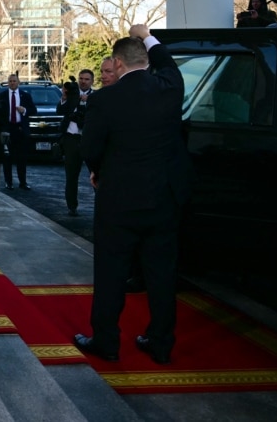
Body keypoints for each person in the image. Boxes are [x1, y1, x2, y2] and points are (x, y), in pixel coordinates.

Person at [73, 24, 191, 365]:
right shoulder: (169, 86)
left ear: (118, 64)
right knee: (161, 274)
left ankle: (107, 342)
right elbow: (167, 63)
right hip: (163, 199)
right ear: (146, 61)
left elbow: (90, 147)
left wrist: (98, 170)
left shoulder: (104, 98)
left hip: (119, 200)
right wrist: (148, 35)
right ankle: (160, 343)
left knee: (110, 272)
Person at [57, 69, 94, 215]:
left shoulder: (96, 96)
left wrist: (88, 100)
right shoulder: (72, 94)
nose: (83, 81)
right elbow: (59, 110)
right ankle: (72, 206)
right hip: (71, 139)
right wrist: (65, 97)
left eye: (86, 79)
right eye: (81, 78)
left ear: (92, 81)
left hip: (89, 139)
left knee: (96, 173)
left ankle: (101, 206)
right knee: (71, 175)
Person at [0, 73, 36, 190]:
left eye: (14, 81)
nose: (12, 83)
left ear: (18, 82)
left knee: (21, 158)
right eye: (10, 81)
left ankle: (23, 182)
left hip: (21, 130)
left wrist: (24, 110)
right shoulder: (2, 96)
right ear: (8, 83)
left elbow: (33, 110)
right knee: (7, 158)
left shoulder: (25, 96)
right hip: (8, 130)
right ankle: (8, 182)